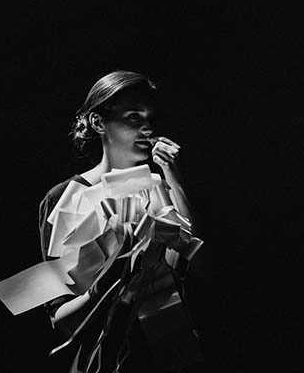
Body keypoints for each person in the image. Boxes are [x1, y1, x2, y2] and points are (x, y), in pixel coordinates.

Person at [38, 71, 198, 372]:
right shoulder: (66, 198)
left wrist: (175, 179)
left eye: (151, 118)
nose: (148, 128)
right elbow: (60, 319)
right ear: (98, 123)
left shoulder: (160, 188)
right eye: (134, 116)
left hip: (169, 354)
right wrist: (110, 279)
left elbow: (191, 263)